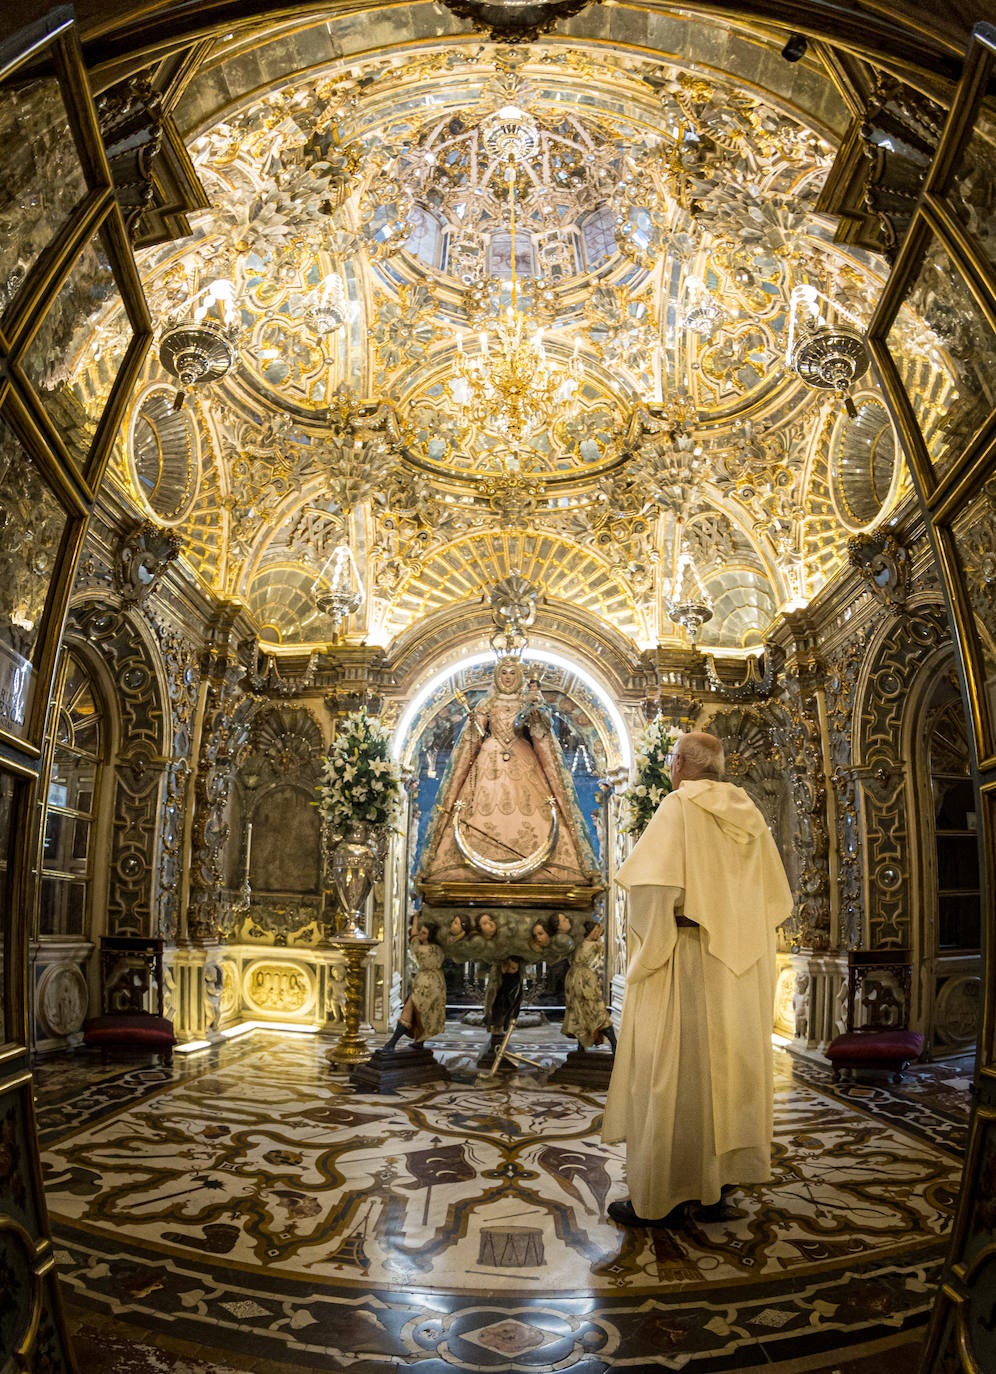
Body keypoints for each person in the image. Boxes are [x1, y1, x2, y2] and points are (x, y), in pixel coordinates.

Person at [602, 730, 792, 1228]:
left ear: (680, 764)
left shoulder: (678, 806)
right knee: (728, 1076)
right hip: (739, 968)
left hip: (683, 961)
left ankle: (660, 1196)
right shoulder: (750, 813)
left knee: (672, 1074)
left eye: (671, 760)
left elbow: (652, 888)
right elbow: (775, 898)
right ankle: (714, 1192)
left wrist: (650, 946)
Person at [419, 658, 597, 888]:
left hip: (522, 757)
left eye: (513, 673)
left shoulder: (528, 701)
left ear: (520, 677)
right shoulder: (487, 703)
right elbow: (472, 739)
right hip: (489, 759)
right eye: (504, 672)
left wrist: (536, 709)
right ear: (496, 676)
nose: (508, 677)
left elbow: (539, 732)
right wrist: (474, 726)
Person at [381, 919, 446, 1051]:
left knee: (409, 1010)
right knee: (423, 1014)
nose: (421, 935)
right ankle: (418, 1042)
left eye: (424, 933)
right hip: (437, 983)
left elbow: (413, 938)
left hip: (425, 986)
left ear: (429, 936)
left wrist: (416, 919)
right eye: (421, 932)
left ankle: (392, 1043)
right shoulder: (439, 949)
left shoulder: (423, 950)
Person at [562, 918, 616, 1052]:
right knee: (596, 1009)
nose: (598, 933)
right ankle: (613, 1043)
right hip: (585, 980)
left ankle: (582, 1045)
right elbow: (603, 956)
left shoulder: (576, 945)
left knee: (580, 1011)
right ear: (592, 931)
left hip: (572, 978)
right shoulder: (596, 946)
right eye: (596, 931)